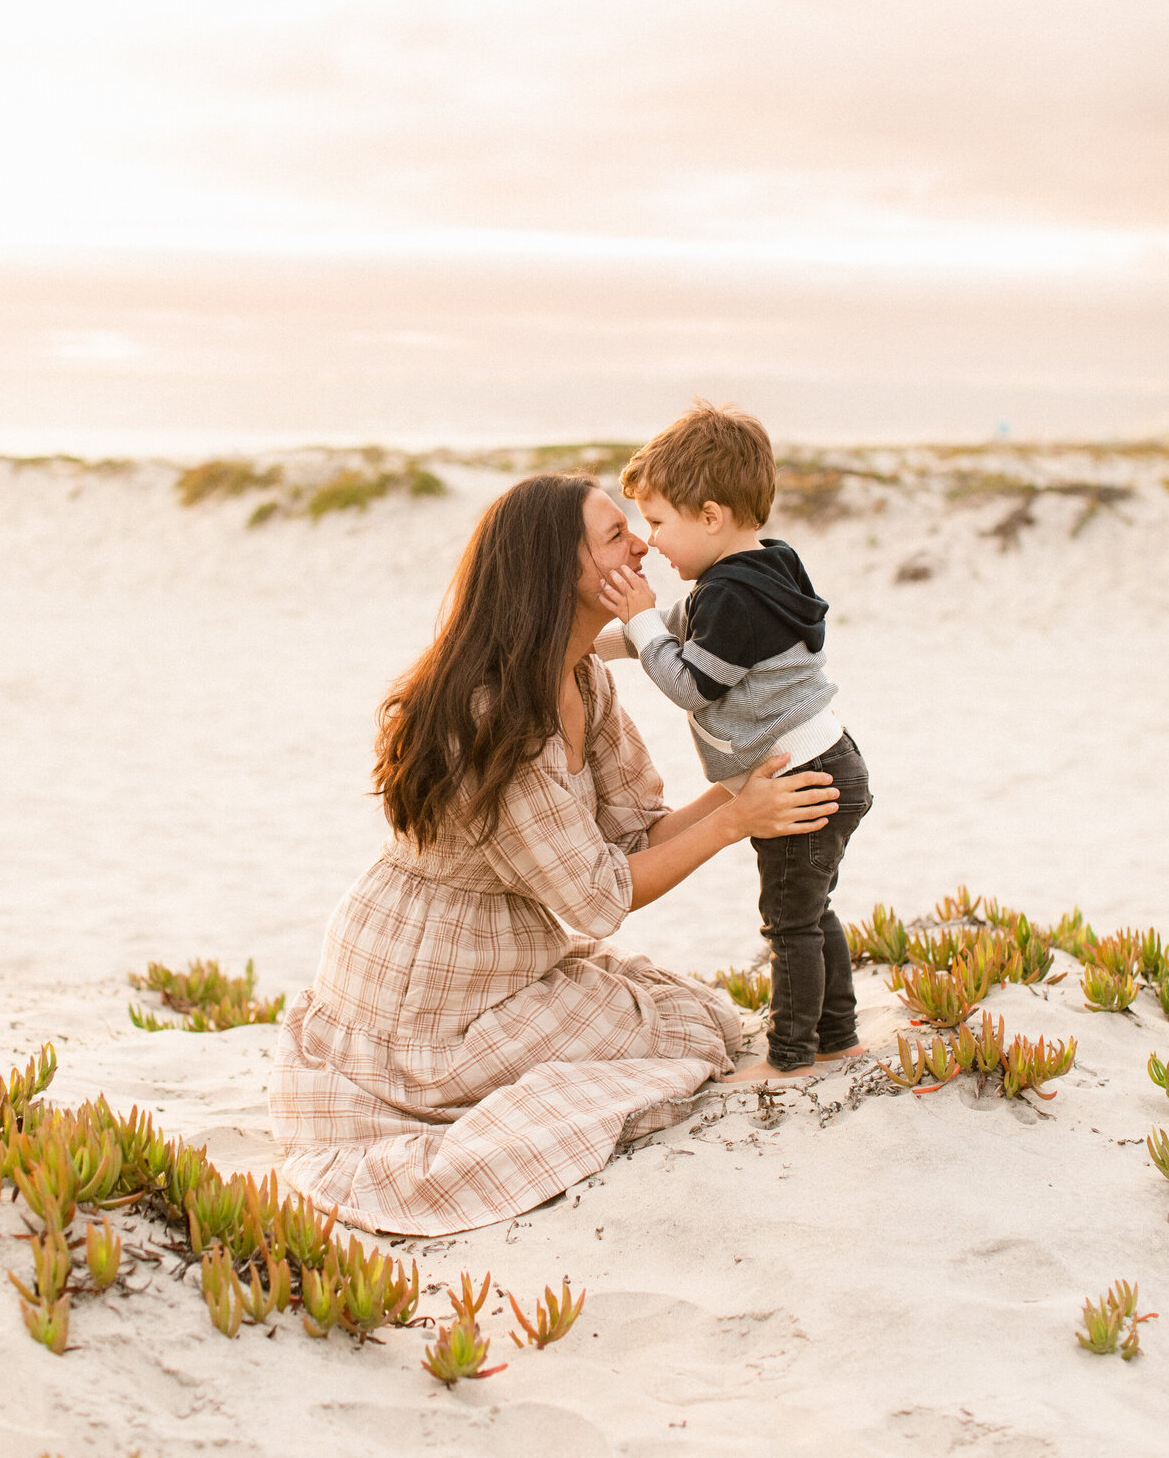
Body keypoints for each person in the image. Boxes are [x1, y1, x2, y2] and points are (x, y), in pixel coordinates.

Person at [269, 472, 840, 1235]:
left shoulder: (585, 677)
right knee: (680, 1038)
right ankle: (423, 1082)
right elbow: (601, 901)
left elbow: (638, 833)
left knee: (694, 1017)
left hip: (503, 958)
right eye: (614, 536)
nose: (642, 542)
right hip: (429, 985)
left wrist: (755, 782)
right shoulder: (503, 712)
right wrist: (737, 821)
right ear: (555, 572)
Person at [595, 402, 872, 1080]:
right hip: (826, 760)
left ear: (711, 517)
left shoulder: (733, 598)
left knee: (790, 924)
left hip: (801, 774)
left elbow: (690, 684)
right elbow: (673, 632)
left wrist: (639, 625)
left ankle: (792, 1057)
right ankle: (838, 1037)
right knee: (809, 911)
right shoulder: (757, 571)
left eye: (659, 522)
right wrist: (605, 643)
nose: (652, 541)